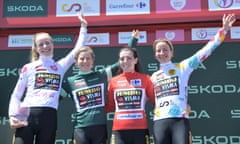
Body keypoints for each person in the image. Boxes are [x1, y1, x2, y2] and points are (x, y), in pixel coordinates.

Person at [151, 14, 236, 144]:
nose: (162, 53)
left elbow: (205, 51)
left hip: (179, 120)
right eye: (158, 50)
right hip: (159, 121)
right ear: (155, 54)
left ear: (172, 52)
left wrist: (223, 31)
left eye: (165, 50)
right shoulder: (153, 77)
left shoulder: (183, 67)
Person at [8, 13, 88, 144]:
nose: (45, 46)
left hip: (49, 116)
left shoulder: (60, 67)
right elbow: (16, 94)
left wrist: (83, 27)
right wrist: (12, 115)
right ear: (36, 48)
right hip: (27, 114)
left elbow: (77, 50)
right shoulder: (29, 67)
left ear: (52, 44)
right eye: (41, 44)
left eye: (47, 43)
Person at [62, 31, 139, 144]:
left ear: (93, 61)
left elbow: (120, 64)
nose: (85, 61)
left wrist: (133, 40)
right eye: (82, 59)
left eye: (88, 58)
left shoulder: (101, 75)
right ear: (76, 62)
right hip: (80, 128)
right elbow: (53, 99)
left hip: (100, 127)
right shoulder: (70, 82)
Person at [105, 46, 155, 144]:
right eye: (122, 59)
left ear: (135, 60)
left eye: (129, 58)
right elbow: (109, 107)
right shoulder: (113, 82)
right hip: (119, 130)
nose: (125, 61)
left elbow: (156, 101)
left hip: (140, 130)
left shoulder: (145, 79)